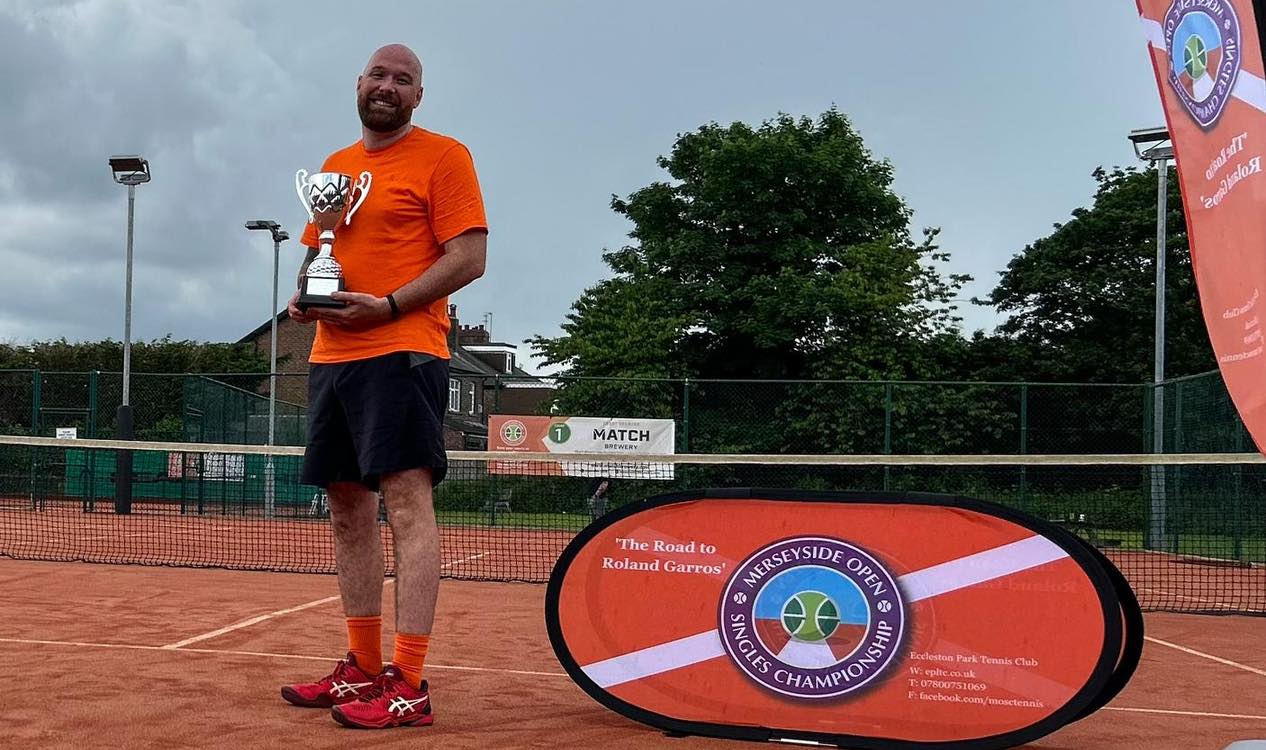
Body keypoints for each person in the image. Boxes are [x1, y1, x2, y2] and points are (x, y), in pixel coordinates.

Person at [279, 42, 487, 730]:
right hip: (332, 356)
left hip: (404, 350)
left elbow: (470, 256)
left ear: (417, 97)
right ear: (359, 84)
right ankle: (361, 669)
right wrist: (304, 299)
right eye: (379, 74)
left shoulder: (444, 156)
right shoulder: (337, 167)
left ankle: (410, 683)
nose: (388, 86)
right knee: (345, 509)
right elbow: (320, 251)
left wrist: (393, 304)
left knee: (406, 506)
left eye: (403, 79)